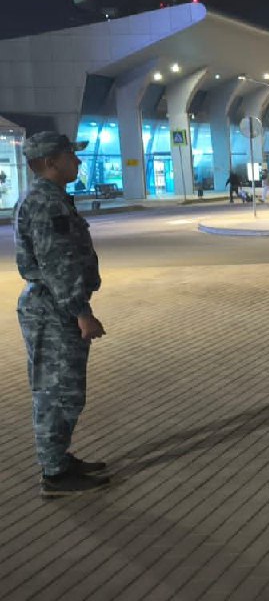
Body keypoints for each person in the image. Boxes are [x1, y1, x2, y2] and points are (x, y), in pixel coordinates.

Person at [14, 132, 109, 498]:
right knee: (57, 393)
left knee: (63, 390)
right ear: (51, 161)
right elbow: (57, 264)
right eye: (71, 155)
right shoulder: (46, 203)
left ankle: (58, 460)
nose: (78, 161)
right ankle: (54, 474)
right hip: (53, 309)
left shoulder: (50, 198)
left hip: (53, 305)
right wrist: (81, 312)